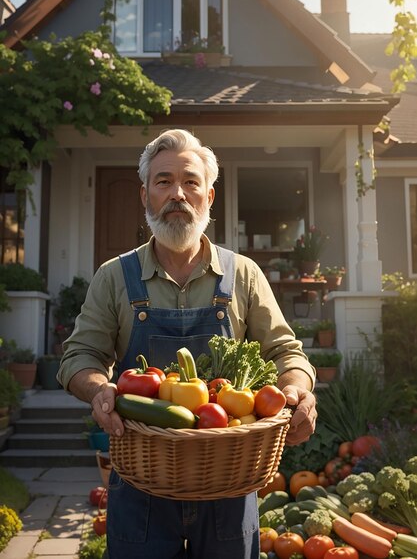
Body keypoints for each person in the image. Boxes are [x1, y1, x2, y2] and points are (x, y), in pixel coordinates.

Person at [57, 128, 317, 559]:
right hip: (139, 482)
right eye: (163, 182)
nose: (178, 193)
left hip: (229, 484)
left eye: (191, 181)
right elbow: (80, 356)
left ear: (209, 197)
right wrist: (98, 389)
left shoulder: (244, 275)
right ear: (145, 196)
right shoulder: (114, 276)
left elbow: (285, 352)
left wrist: (297, 390)